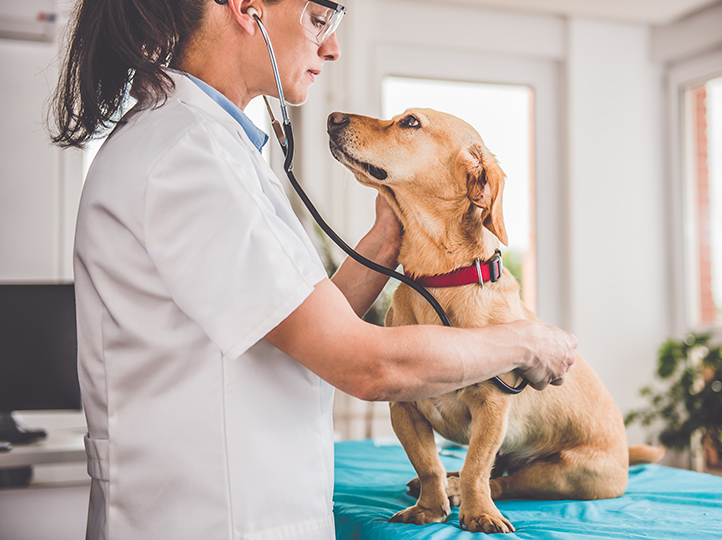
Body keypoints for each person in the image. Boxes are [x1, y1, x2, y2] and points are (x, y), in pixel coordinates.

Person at [50, 0, 578, 538]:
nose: (332, 47)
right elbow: (365, 365)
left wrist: (387, 238)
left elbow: (300, 321)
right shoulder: (189, 157)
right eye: (319, 19)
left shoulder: (208, 148)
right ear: (246, 8)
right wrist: (527, 342)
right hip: (211, 516)